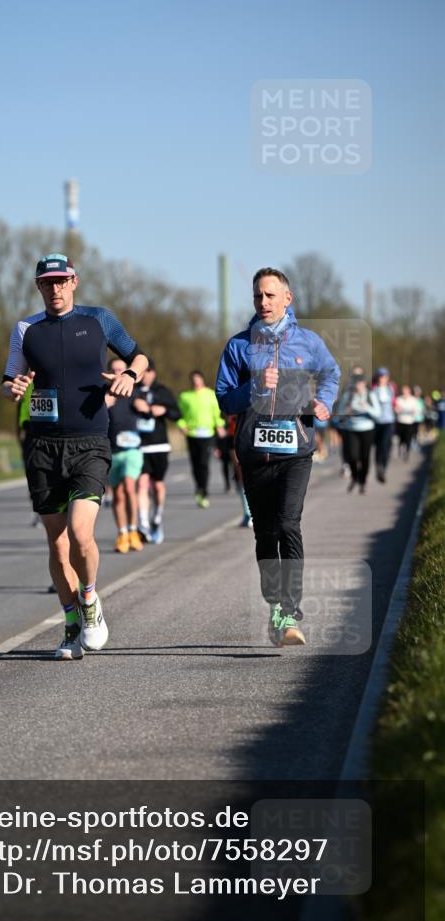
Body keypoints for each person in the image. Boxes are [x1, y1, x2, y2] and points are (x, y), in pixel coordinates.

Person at [1, 254, 148, 661]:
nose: (55, 288)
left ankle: (89, 600)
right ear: (38, 286)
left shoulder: (99, 319)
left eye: (61, 281)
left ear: (74, 281)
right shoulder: (26, 329)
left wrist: (129, 375)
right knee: (58, 541)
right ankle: (70, 625)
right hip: (44, 446)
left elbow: (140, 355)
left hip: (90, 442)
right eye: (47, 282)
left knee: (81, 533)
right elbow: (9, 379)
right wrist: (13, 389)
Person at [216, 267, 340, 648]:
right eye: (258, 295)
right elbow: (224, 400)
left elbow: (331, 373)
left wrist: (325, 401)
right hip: (254, 453)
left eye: (270, 295)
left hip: (296, 451)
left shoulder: (308, 342)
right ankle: (274, 604)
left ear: (288, 298)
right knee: (266, 533)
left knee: (288, 524)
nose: (263, 302)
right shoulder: (239, 346)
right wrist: (253, 387)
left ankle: (290, 610)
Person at [133, 360, 180, 544]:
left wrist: (164, 410)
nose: (145, 375)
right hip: (139, 444)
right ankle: (143, 524)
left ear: (153, 373)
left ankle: (157, 518)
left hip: (159, 445)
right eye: (143, 372)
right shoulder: (133, 390)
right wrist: (134, 405)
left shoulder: (162, 391)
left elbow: (177, 414)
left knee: (158, 485)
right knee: (142, 484)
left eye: (149, 372)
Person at [106, 358, 144, 554]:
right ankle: (122, 533)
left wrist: (144, 407)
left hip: (132, 450)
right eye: (113, 369)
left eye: (120, 369)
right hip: (113, 451)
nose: (117, 373)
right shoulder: (104, 394)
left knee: (130, 487)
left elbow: (147, 409)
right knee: (118, 494)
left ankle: (133, 530)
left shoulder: (134, 392)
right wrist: (104, 404)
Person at [177, 371, 225, 508]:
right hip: (192, 434)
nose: (196, 381)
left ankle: (204, 491)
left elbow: (216, 413)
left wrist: (219, 426)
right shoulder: (185, 396)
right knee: (195, 464)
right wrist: (181, 425)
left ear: (202, 380)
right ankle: (198, 487)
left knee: (204, 463)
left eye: (198, 379)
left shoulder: (211, 395)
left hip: (208, 434)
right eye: (193, 379)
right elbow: (178, 414)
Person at [334, 376, 381, 494]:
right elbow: (339, 413)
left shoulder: (370, 395)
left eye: (360, 383)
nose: (358, 386)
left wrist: (366, 407)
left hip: (367, 429)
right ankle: (355, 477)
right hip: (351, 429)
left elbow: (378, 413)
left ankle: (363, 482)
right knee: (352, 456)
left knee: (365, 457)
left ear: (364, 383)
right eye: (356, 383)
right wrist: (346, 411)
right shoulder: (348, 395)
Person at [370, 367, 396, 483]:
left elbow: (393, 403)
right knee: (378, 446)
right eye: (380, 376)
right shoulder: (373, 389)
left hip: (388, 421)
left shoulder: (391, 389)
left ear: (387, 378)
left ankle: (383, 468)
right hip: (376, 422)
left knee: (385, 445)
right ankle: (378, 467)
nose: (382, 378)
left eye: (384, 376)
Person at [394, 385, 420, 460]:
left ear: (409, 391)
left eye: (406, 390)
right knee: (401, 438)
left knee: (408, 438)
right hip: (400, 421)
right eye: (403, 390)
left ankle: (407, 452)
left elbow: (416, 411)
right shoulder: (398, 399)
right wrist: (398, 410)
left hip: (409, 422)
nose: (404, 391)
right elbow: (396, 410)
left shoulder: (413, 400)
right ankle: (400, 449)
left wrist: (411, 411)